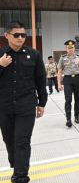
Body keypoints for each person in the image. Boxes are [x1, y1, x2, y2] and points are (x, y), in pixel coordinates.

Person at [0, 21, 47, 183]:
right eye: (16, 35)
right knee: (9, 140)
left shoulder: (33, 54)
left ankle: (20, 176)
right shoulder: (0, 55)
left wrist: (42, 103)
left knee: (22, 141)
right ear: (7, 35)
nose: (20, 38)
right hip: (4, 107)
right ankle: (16, 163)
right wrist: (0, 65)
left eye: (23, 35)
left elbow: (41, 79)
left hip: (26, 106)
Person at [57, 40, 79, 128]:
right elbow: (59, 72)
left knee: (77, 99)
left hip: (78, 79)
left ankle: (76, 116)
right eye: (69, 48)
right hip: (67, 79)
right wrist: (59, 84)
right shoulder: (62, 58)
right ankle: (68, 119)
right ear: (66, 49)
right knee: (68, 99)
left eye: (72, 48)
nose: (71, 49)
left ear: (74, 48)